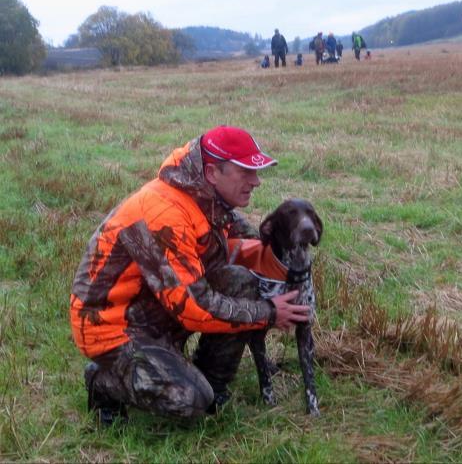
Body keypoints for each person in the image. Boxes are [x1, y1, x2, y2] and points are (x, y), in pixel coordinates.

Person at [70, 126, 311, 426]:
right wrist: (269, 313)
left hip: (155, 305)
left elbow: (249, 247)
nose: (256, 182)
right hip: (111, 326)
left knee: (239, 281)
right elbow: (194, 308)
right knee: (187, 399)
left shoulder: (210, 201)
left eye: (256, 172)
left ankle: (211, 384)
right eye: (245, 172)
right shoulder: (166, 215)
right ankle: (105, 380)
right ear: (212, 173)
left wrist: (284, 255)